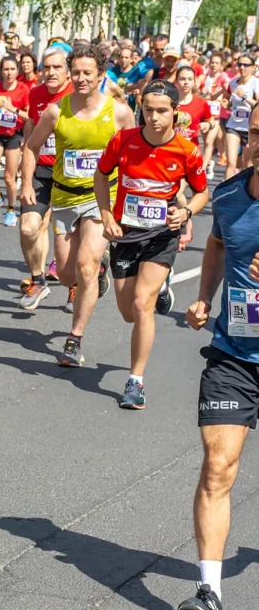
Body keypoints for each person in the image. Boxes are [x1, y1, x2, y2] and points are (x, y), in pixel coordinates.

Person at [176, 102, 259, 610]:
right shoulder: (230, 193)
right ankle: (210, 593)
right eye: (255, 133)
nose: (257, 143)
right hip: (235, 352)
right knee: (218, 465)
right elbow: (217, 243)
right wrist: (205, 295)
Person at [94, 79, 208, 408]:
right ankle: (154, 282)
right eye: (147, 110)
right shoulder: (123, 139)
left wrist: (185, 212)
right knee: (128, 312)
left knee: (143, 304)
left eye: (161, 111)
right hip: (125, 234)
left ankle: (135, 381)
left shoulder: (186, 150)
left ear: (175, 112)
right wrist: (106, 216)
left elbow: (202, 192)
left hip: (162, 235)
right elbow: (101, 175)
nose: (154, 118)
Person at [25, 44, 134, 362]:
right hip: (64, 197)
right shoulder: (57, 111)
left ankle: (75, 338)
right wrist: (28, 184)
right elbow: (32, 147)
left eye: (88, 73)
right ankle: (96, 273)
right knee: (66, 275)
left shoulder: (118, 112)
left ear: (102, 75)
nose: (82, 78)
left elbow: (134, 153)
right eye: (76, 73)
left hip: (102, 198)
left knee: (86, 264)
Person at [19, 46, 73, 310]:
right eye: (46, 67)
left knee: (75, 239)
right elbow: (30, 134)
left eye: (57, 67)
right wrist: (25, 179)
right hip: (42, 170)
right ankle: (38, 280)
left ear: (68, 71)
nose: (50, 72)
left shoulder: (78, 95)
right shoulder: (36, 94)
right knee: (29, 227)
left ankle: (77, 284)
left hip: (73, 175)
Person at [0, 55, 30, 228]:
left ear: (17, 71)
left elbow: (29, 116)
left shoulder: (24, 90)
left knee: (9, 178)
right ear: (1, 71)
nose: (9, 73)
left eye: (12, 69)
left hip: (14, 135)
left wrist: (14, 110)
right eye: (5, 69)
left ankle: (11, 210)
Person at [224, 52, 259, 180]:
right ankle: (226, 193)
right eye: (239, 64)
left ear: (254, 67)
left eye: (246, 65)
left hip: (250, 128)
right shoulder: (233, 83)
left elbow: (258, 105)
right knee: (231, 162)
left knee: (248, 165)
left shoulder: (256, 83)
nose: (242, 68)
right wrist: (225, 103)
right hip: (233, 124)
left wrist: (244, 96)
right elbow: (227, 101)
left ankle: (243, 194)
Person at [200, 51, 230, 178]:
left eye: (216, 63)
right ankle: (208, 164)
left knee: (208, 141)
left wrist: (223, 96)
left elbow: (229, 92)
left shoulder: (224, 78)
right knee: (208, 142)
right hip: (205, 114)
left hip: (217, 115)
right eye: (212, 62)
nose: (213, 65)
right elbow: (198, 92)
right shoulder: (205, 76)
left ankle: (202, 168)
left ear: (221, 65)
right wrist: (202, 91)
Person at [175, 65, 213, 149]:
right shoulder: (169, 101)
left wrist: (208, 124)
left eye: (190, 79)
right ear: (176, 81)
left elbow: (211, 121)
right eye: (182, 79)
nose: (186, 82)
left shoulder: (201, 102)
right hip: (171, 147)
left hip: (192, 149)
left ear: (194, 82)